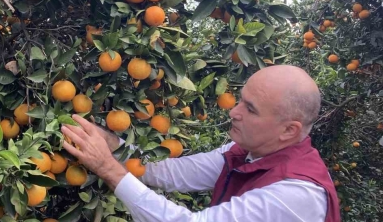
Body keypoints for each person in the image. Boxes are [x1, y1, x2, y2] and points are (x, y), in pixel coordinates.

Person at [61, 65, 341, 222]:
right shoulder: (244, 154)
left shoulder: (296, 194)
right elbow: (168, 172)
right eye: (240, 99)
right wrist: (109, 141)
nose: (234, 111)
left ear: (288, 131)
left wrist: (108, 168)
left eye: (251, 109)